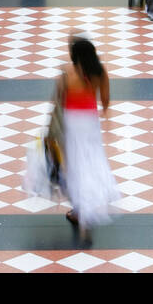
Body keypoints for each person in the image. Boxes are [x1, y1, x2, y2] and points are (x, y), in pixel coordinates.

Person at [58, 37, 119, 246]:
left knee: (74, 165)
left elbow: (59, 100)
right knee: (91, 161)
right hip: (90, 122)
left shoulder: (68, 73)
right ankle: (89, 207)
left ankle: (79, 210)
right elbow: (106, 100)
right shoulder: (100, 71)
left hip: (72, 122)